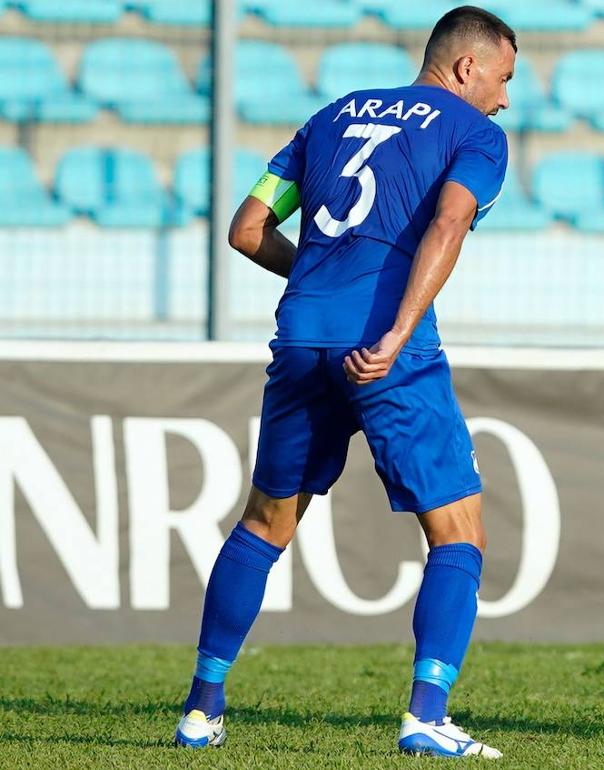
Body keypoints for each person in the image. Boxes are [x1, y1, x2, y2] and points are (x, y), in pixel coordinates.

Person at [173, 6, 514, 758]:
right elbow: (447, 226)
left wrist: (323, 279)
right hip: (388, 348)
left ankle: (201, 709)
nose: (505, 98)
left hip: (300, 338)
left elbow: (246, 227)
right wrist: (393, 330)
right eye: (503, 78)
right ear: (466, 68)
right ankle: (426, 714)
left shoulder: (328, 116)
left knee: (263, 523)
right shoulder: (476, 134)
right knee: (459, 533)